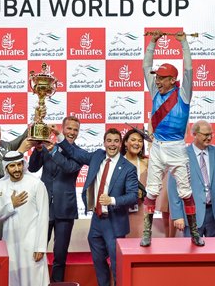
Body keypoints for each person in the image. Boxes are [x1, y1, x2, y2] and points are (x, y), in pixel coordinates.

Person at [141, 30, 203, 247]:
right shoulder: (154, 91)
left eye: (161, 78)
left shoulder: (184, 93)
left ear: (172, 80)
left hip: (177, 148)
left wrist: (184, 42)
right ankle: (147, 232)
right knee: (152, 190)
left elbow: (189, 69)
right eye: (156, 77)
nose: (156, 80)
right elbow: (145, 67)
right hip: (157, 147)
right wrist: (153, 42)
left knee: (186, 191)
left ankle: (194, 231)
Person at [54, 127, 138, 286]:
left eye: (116, 141)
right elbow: (74, 153)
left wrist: (112, 200)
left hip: (115, 222)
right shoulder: (98, 155)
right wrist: (59, 135)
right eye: (109, 141)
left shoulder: (128, 168)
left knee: (117, 265)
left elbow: (133, 196)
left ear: (121, 144)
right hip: (97, 221)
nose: (112, 145)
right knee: (99, 263)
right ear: (104, 142)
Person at [28, 116, 83, 282]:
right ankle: (36, 282)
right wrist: (38, 149)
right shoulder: (47, 147)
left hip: (65, 209)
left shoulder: (78, 154)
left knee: (60, 254)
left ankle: (57, 283)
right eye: (69, 128)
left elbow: (68, 168)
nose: (72, 132)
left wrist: (53, 150)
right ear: (62, 128)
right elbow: (32, 167)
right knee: (38, 250)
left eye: (75, 130)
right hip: (44, 208)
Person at [0, 151, 50, 286]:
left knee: (34, 280)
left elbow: (43, 216)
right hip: (10, 243)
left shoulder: (36, 184)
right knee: (13, 280)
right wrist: (11, 205)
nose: (17, 169)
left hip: (31, 244)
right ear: (6, 168)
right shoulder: (1, 185)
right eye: (12, 166)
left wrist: (40, 247)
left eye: (19, 164)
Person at [169, 120, 215, 237]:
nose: (209, 138)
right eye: (205, 135)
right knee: (192, 253)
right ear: (194, 134)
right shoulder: (181, 155)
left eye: (211, 134)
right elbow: (173, 187)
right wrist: (177, 215)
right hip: (191, 214)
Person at [120, 127, 152, 238]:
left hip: (143, 211)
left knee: (141, 246)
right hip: (122, 211)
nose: (137, 143)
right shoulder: (117, 162)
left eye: (140, 141)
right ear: (125, 142)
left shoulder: (147, 162)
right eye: (133, 140)